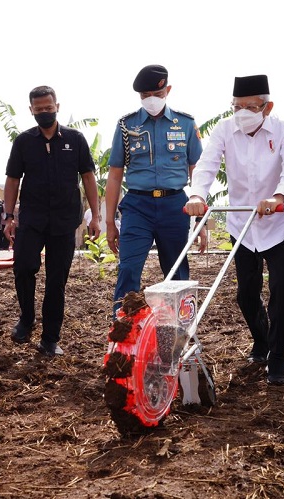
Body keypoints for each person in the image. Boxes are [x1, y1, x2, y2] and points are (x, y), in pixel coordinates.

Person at [185, 75, 284, 385]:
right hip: (242, 222)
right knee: (246, 293)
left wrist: (278, 197)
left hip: (278, 221)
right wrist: (198, 195)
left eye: (251, 106)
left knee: (281, 288)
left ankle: (277, 356)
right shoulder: (225, 130)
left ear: (268, 106)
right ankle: (262, 340)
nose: (243, 112)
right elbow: (208, 164)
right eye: (237, 106)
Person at [3, 85, 100, 356]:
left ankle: (50, 338)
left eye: (48, 108)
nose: (44, 112)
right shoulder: (23, 142)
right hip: (32, 219)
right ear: (31, 110)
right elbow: (12, 180)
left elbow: (88, 177)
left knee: (56, 280)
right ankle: (26, 318)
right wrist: (8, 216)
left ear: (57, 106)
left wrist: (96, 215)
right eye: (39, 109)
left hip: (64, 220)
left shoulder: (75, 139)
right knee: (23, 268)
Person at [105, 64, 203, 314]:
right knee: (128, 269)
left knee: (177, 270)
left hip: (175, 206)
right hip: (138, 206)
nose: (151, 100)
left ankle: (180, 329)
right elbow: (115, 175)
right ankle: (123, 332)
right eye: (145, 95)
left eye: (157, 95)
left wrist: (201, 219)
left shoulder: (185, 124)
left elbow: (199, 171)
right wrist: (109, 222)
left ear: (168, 90)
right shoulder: (127, 126)